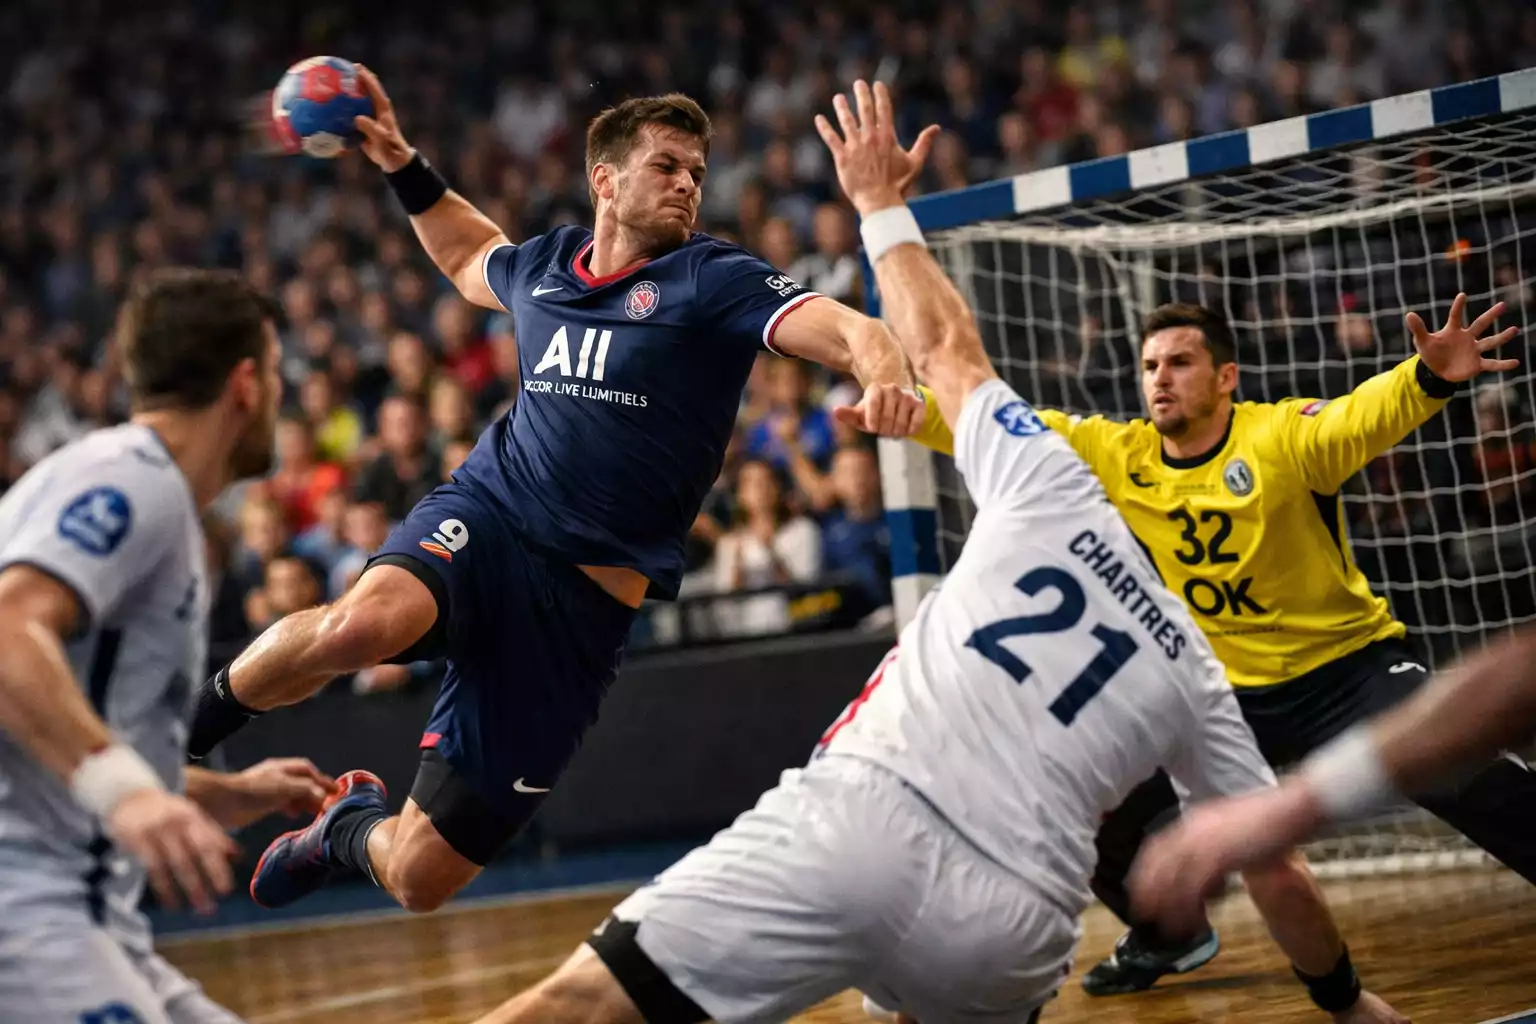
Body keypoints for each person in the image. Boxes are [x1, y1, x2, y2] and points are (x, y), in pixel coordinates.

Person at [464, 79, 1406, 1024]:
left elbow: (947, 348)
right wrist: (1347, 1001)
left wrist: (880, 204)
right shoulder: (1197, 667)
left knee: (580, 1004)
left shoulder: (1048, 485)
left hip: (862, 821)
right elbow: (1276, 873)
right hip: (1019, 921)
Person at [186, 69, 926, 916]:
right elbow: (468, 253)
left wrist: (883, 370)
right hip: (493, 519)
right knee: (360, 624)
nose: (688, 184)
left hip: (580, 609)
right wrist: (402, 163)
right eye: (666, 166)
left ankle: (345, 827)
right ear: (604, 180)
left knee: (421, 879)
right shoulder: (543, 267)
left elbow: (848, 329)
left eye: (696, 171)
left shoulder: (711, 279)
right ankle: (185, 731)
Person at [904, 294, 1531, 993]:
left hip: (1346, 672)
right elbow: (1006, 431)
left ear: (1226, 377)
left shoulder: (1281, 437)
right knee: (1088, 787)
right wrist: (916, 411)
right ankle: (1167, 936)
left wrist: (1430, 379)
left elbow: (1360, 414)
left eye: (1179, 362)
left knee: (1471, 774)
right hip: (1221, 695)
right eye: (1149, 366)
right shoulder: (1120, 453)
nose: (1159, 379)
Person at [0, 269, 336, 1023]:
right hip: (26, 904)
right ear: (246, 384)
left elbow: (64, 746)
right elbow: (5, 633)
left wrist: (232, 795)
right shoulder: (132, 482)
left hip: (91, 912)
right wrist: (130, 796)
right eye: (279, 374)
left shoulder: (148, 493)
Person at [1131, 623, 1536, 938]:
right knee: (1111, 789)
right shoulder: (1124, 514)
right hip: (1230, 690)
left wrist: (1296, 806)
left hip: (1345, 666)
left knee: (1474, 780)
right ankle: (1161, 942)